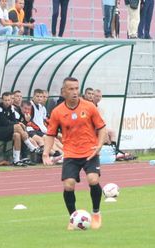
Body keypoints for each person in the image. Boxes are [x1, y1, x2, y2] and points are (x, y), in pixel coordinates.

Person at [43, 77, 108, 230]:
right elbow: (50, 134)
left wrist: (99, 145)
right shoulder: (57, 112)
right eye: (71, 89)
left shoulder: (89, 107)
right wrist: (45, 153)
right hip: (71, 153)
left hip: (90, 151)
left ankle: (96, 213)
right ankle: (73, 218)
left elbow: (101, 128)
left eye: (76, 88)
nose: (74, 92)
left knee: (93, 179)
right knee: (68, 185)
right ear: (63, 92)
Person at [0, 92, 42, 166]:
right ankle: (31, 147)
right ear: (2, 100)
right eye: (5, 100)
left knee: (17, 135)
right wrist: (19, 124)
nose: (7, 102)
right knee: (18, 126)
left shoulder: (11, 108)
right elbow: (5, 122)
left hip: (7, 131)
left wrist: (19, 123)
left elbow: (14, 120)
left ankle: (16, 160)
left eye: (9, 100)